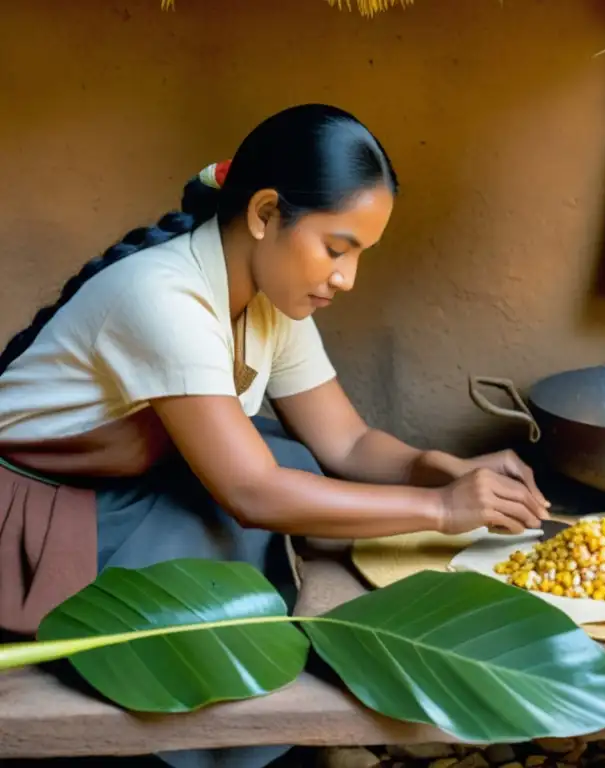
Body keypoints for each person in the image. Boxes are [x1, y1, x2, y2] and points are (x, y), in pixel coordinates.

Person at [0, 103, 549, 768]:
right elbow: (252, 491)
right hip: (42, 514)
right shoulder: (161, 296)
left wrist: (444, 468)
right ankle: (206, 748)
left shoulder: (271, 299)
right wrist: (441, 509)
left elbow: (346, 441)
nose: (346, 278)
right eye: (336, 249)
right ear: (265, 215)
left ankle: (261, 728)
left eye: (359, 256)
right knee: (252, 505)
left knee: (297, 463)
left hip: (123, 486)